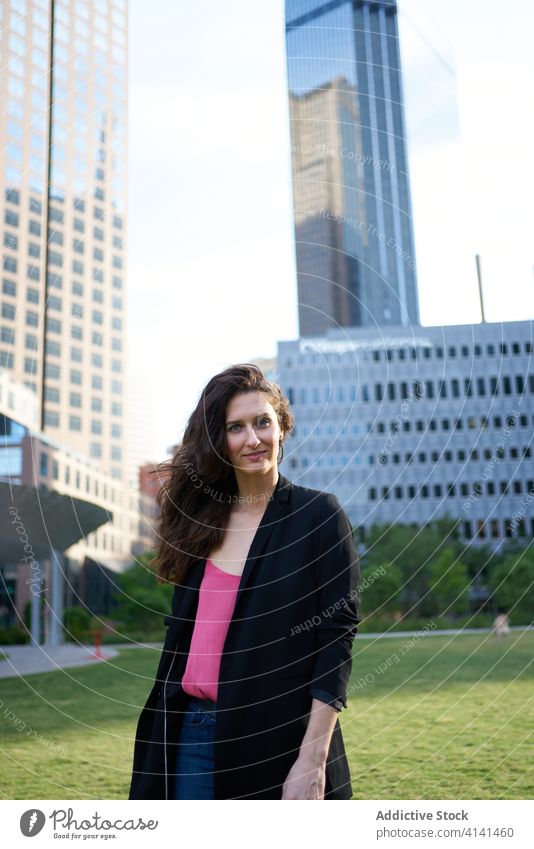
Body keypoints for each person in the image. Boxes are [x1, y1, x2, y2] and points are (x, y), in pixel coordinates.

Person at [128, 364, 361, 800]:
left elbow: (336, 640)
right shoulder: (200, 523)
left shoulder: (318, 517)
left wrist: (312, 760)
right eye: (235, 428)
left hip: (280, 738)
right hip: (190, 734)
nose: (253, 439)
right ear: (220, 442)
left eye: (262, 422)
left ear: (282, 427)